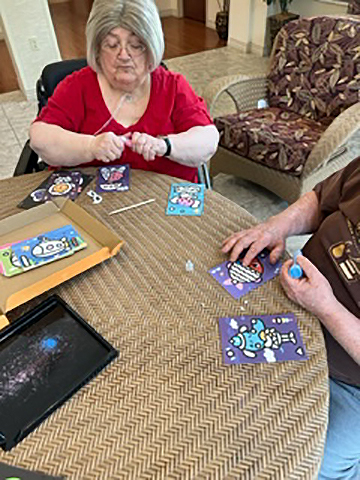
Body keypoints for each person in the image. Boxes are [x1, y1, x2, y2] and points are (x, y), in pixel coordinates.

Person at [222, 157, 360, 480]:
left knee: (302, 462)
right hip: (290, 305)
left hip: (348, 381)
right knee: (224, 399)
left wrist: (326, 307)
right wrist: (276, 226)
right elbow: (324, 196)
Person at [29, 0, 219, 182]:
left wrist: (165, 146)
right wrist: (90, 147)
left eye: (136, 45)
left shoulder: (173, 86)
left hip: (162, 207)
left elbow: (208, 139)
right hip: (91, 207)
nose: (124, 55)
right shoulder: (77, 87)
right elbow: (40, 138)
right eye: (112, 45)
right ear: (96, 49)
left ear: (152, 48)